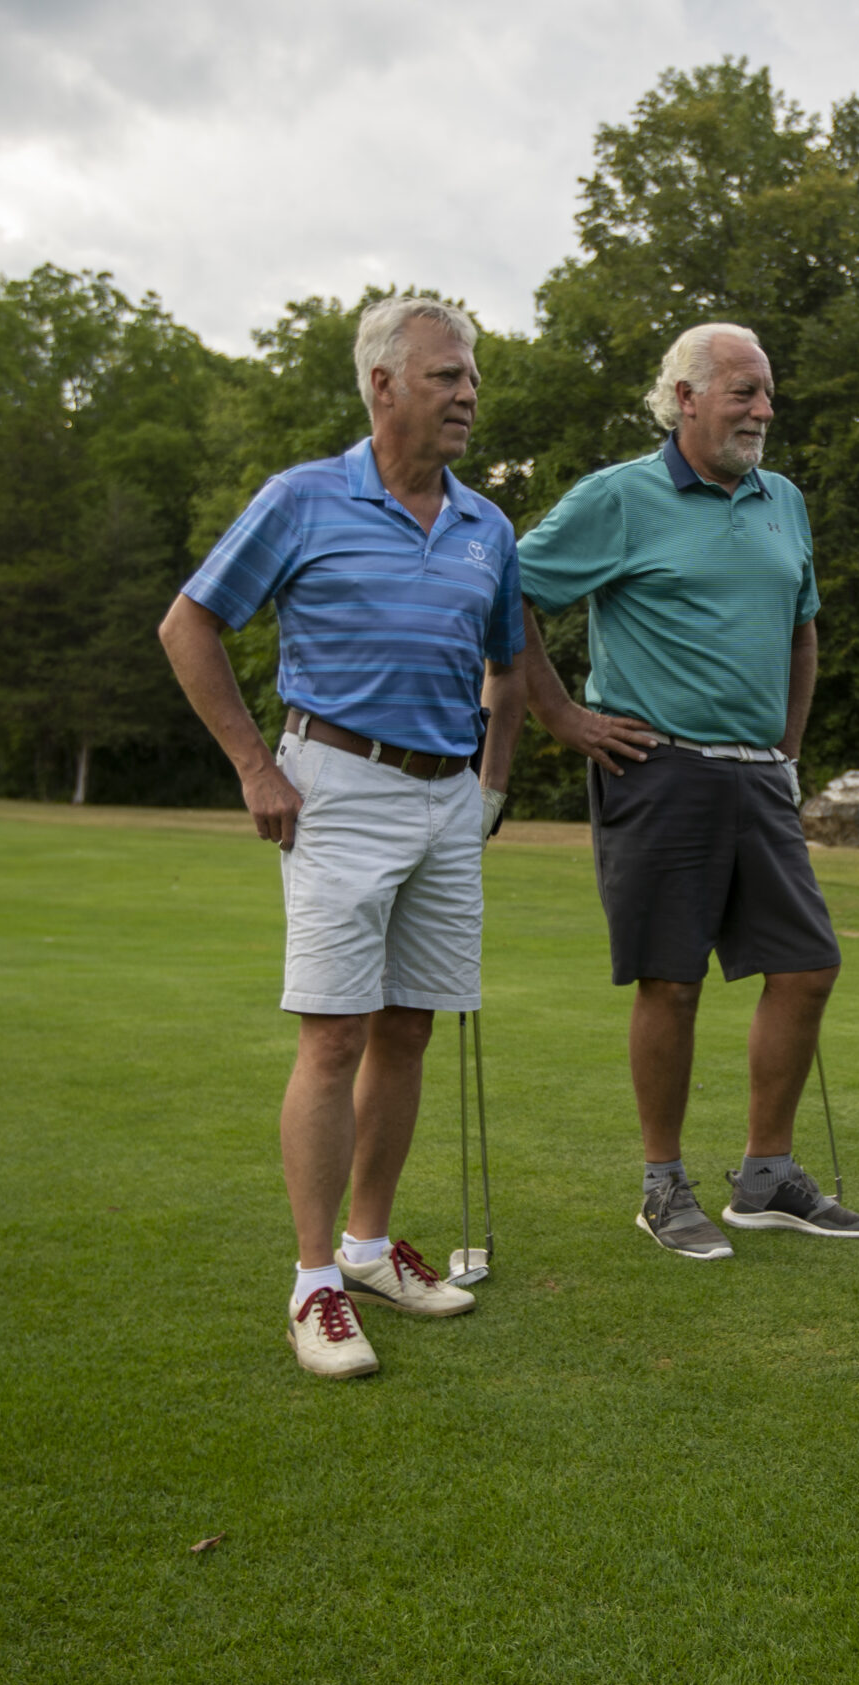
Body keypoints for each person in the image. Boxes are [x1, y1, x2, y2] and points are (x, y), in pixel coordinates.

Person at [158, 296, 529, 1378]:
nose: (466, 395)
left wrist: (490, 791)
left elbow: (509, 670)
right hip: (337, 785)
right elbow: (190, 623)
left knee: (410, 1028)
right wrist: (253, 764)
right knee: (335, 1037)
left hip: (445, 797)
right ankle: (314, 1280)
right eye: (445, 376)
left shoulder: (487, 527)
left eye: (470, 378)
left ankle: (369, 1249)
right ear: (382, 384)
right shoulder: (304, 498)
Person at [514, 322, 859, 1258]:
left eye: (767, 394)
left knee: (807, 967)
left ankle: (765, 1178)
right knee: (670, 984)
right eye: (744, 393)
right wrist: (562, 717)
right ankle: (661, 1184)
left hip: (760, 777)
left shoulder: (783, 500)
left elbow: (803, 627)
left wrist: (790, 740)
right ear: (686, 397)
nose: (764, 410)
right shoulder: (619, 497)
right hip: (658, 768)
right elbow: (505, 595)